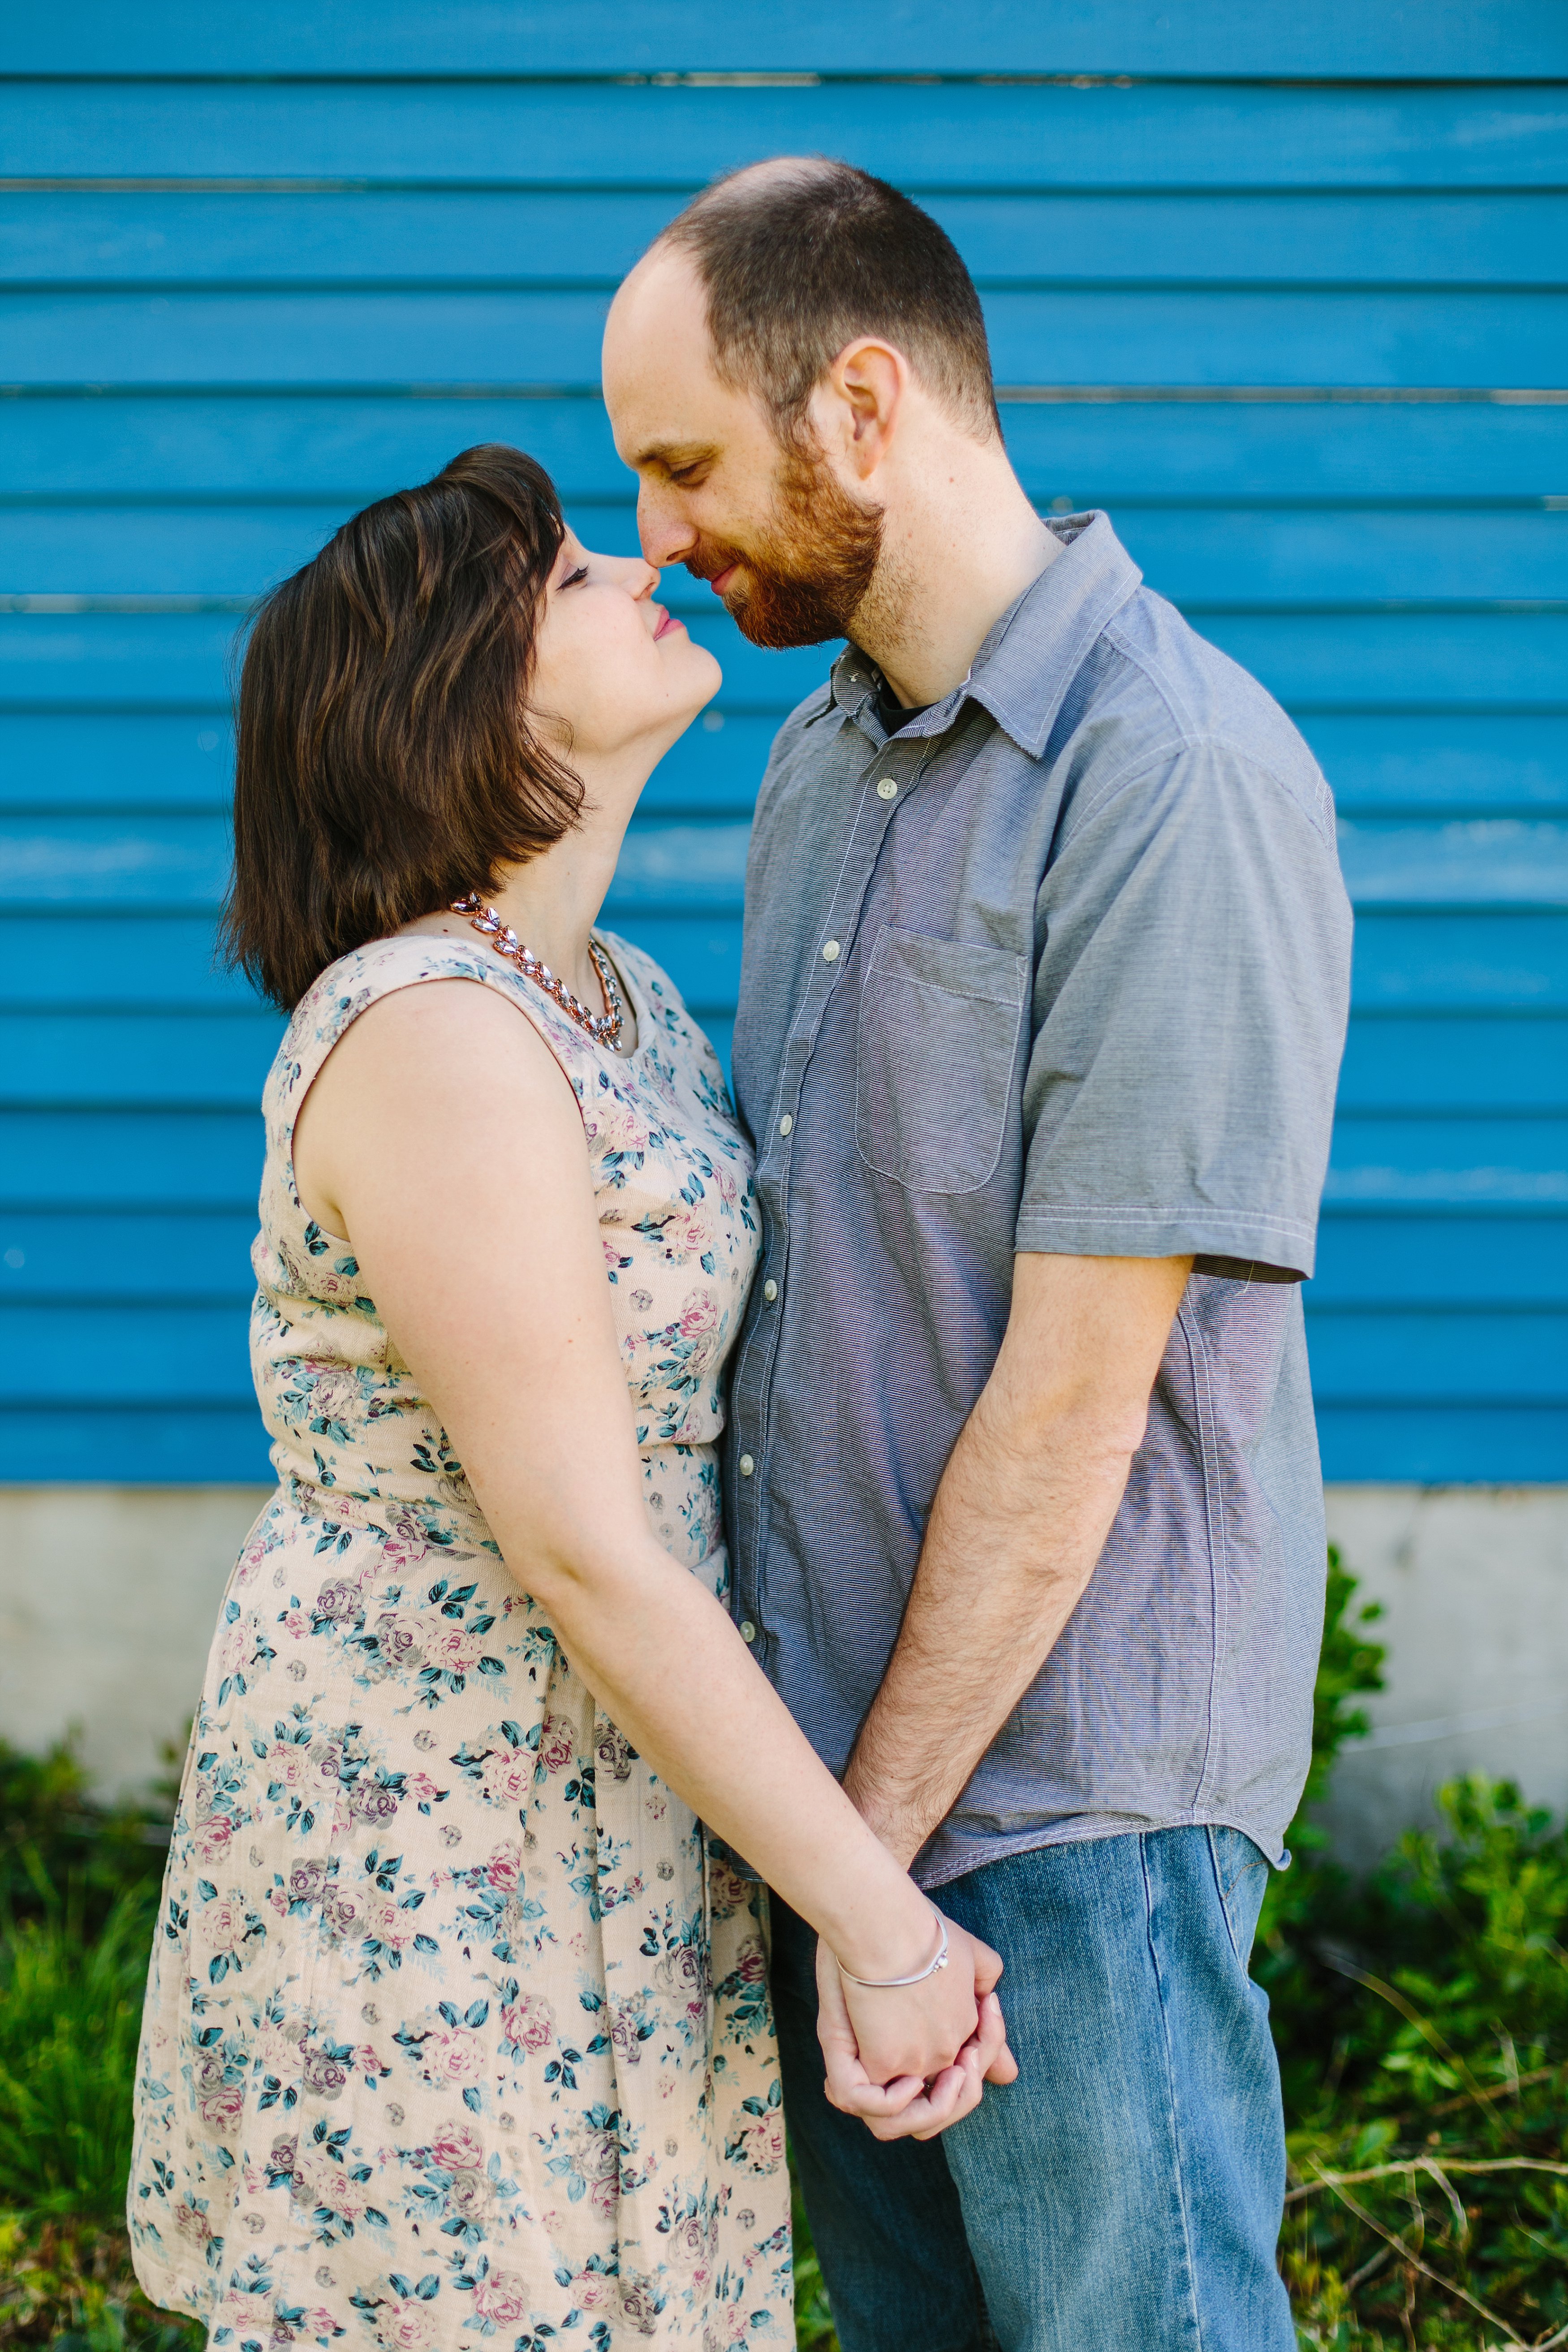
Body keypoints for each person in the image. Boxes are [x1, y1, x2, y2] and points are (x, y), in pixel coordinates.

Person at [126, 444, 1013, 2352]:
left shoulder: (608, 993)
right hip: (434, 1820)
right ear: (456, 689)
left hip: (605, 1794)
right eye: (561, 573)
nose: (638, 566)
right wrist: (878, 1920)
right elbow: (578, 1539)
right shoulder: (430, 1030)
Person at [602, 162, 1354, 2352]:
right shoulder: (814, 768)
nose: (653, 530)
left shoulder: (1172, 773)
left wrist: (878, 1872)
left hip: (1056, 1820)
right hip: (847, 1807)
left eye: (680, 464)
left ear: (857, 404)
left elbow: (1067, 1396)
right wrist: (831, 1864)